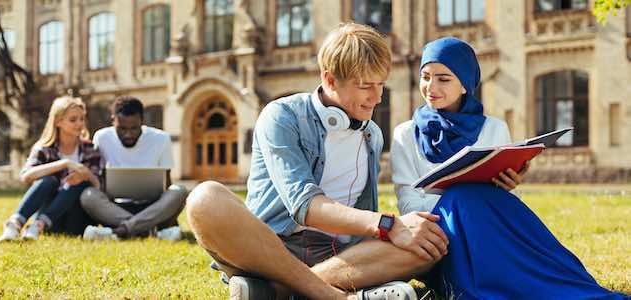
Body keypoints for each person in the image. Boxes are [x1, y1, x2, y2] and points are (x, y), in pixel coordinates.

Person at [186, 23, 450, 300]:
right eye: (365, 86)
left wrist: (403, 232)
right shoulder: (281, 116)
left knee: (428, 244)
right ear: (330, 80)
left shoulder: (372, 134)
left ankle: (277, 291)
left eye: (381, 84)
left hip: (340, 254)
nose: (377, 97)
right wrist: (389, 224)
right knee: (204, 199)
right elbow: (304, 205)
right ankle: (336, 296)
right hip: (271, 249)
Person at [390, 37, 627, 299]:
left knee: (518, 238)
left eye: (443, 79)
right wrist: (461, 202)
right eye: (425, 77)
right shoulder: (405, 133)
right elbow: (408, 205)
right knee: (463, 197)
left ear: (465, 85)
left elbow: (506, 205)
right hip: (443, 237)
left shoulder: (494, 128)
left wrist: (506, 184)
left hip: (489, 228)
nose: (430, 87)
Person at [80, 96, 187, 241]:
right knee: (88, 195)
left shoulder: (161, 139)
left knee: (179, 191)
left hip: (152, 208)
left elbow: (167, 183)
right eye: (122, 129)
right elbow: (100, 179)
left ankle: (119, 232)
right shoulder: (101, 137)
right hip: (116, 208)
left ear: (142, 121)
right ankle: (148, 231)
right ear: (113, 121)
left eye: (134, 128)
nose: (128, 134)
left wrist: (166, 205)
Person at [0, 96, 101, 242]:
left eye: (82, 119)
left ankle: (37, 226)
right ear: (58, 121)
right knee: (48, 181)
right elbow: (26, 176)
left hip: (76, 219)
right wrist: (63, 164)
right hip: (50, 218)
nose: (80, 124)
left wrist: (85, 174)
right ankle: (15, 224)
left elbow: (98, 185)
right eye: (73, 120)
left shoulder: (90, 149)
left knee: (79, 183)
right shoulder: (44, 149)